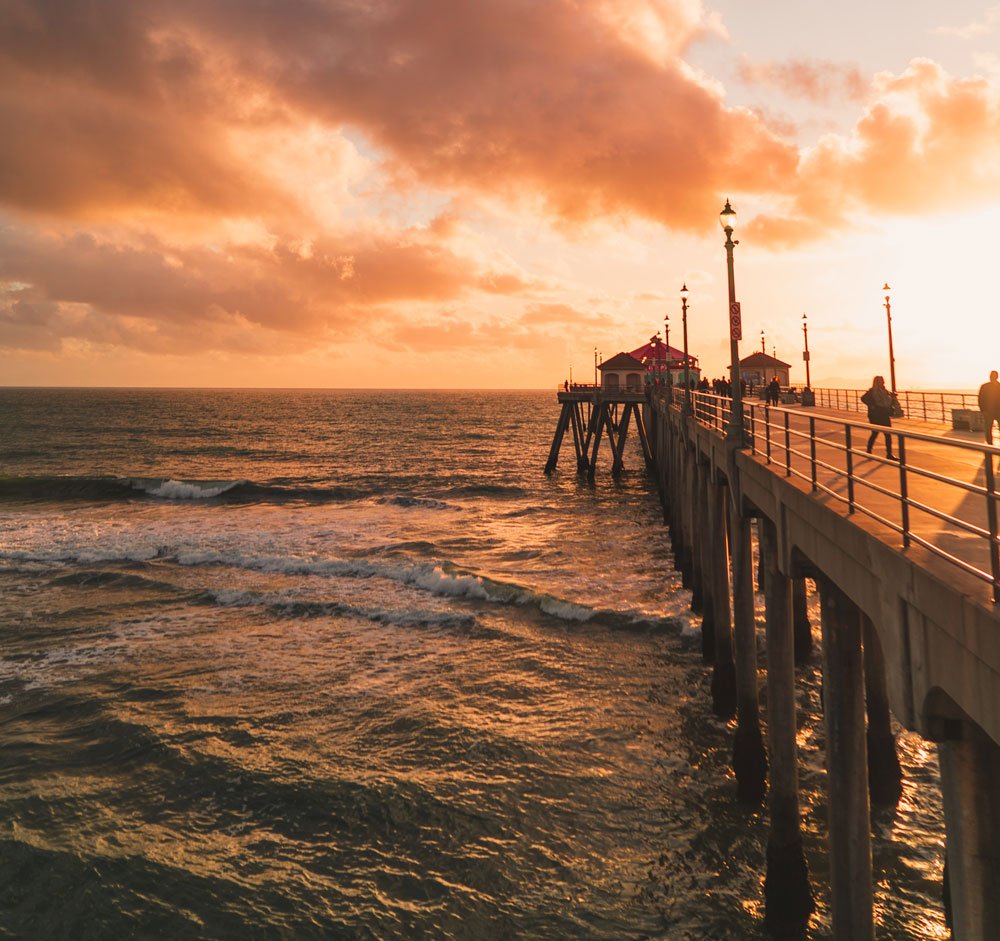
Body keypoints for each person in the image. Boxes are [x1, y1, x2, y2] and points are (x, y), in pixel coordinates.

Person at [861, 375, 896, 459]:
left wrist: (892, 398)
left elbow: (888, 402)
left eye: (883, 380)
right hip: (875, 415)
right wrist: (872, 405)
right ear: (877, 382)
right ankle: (869, 450)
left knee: (888, 434)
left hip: (884, 414)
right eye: (881, 380)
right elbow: (863, 398)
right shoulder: (872, 391)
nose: (883, 382)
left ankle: (889, 453)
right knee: (875, 433)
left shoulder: (885, 391)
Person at [978, 370, 1000, 445]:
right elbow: (980, 399)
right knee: (988, 429)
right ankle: (990, 444)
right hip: (988, 411)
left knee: (989, 428)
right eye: (991, 375)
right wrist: (983, 410)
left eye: (993, 375)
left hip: (998, 411)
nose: (991, 377)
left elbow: (980, 399)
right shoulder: (984, 386)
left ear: (997, 377)